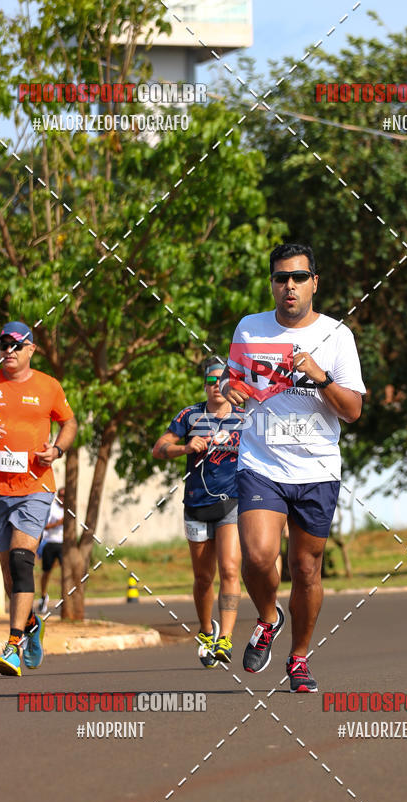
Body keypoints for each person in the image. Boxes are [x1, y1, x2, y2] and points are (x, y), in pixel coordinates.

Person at [221, 243, 365, 692]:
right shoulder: (250, 328)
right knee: (260, 555)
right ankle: (268, 617)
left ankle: (299, 657)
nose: (290, 286)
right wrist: (232, 390)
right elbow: (232, 380)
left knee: (305, 569)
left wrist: (319, 376)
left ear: (314, 283)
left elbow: (353, 410)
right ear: (272, 283)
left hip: (317, 468)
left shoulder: (338, 336)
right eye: (282, 278)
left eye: (299, 278)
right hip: (261, 461)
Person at [0, 322, 77, 676]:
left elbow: (69, 423)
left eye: (16, 345)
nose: (8, 350)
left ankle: (13, 645)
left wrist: (58, 449)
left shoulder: (48, 386)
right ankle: (33, 623)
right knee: (11, 579)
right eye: (3, 344)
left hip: (35, 488)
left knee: (23, 563)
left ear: (31, 349)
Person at [153, 357, 243, 667]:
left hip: (233, 501)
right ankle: (206, 630)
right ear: (204, 384)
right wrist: (185, 448)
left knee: (230, 570)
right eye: (211, 380)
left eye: (222, 379)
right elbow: (159, 447)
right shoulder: (189, 415)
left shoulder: (245, 415)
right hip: (196, 503)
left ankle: (225, 640)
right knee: (204, 577)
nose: (216, 385)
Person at [36, 486, 65, 614]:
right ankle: (43, 596)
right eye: (62, 496)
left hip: (64, 544)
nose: (63, 498)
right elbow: (44, 526)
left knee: (67, 571)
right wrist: (57, 523)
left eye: (65, 496)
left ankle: (66, 596)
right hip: (51, 543)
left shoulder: (70, 509)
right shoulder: (52, 508)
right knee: (46, 572)